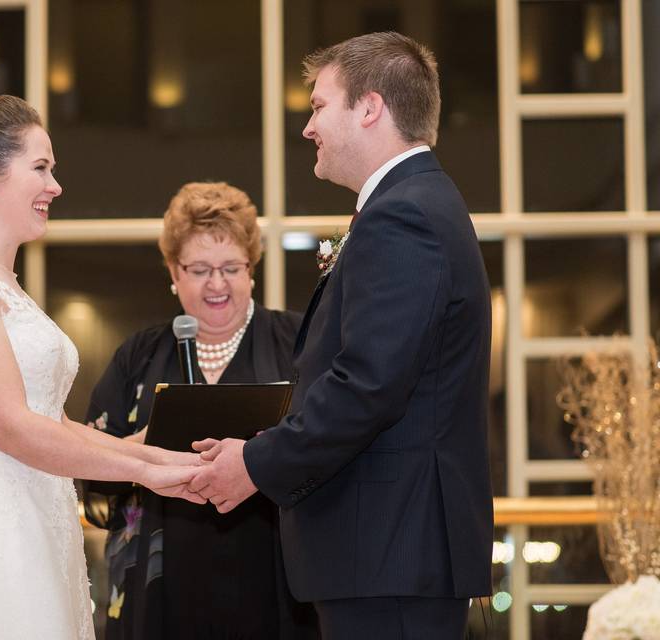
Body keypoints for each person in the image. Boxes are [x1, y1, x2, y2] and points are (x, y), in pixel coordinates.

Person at [189, 32, 494, 639]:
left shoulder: (405, 215)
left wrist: (254, 463)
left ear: (370, 107)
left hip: (390, 554)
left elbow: (367, 386)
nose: (308, 127)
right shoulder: (418, 204)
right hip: (388, 555)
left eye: (319, 106)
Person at [0, 95, 203, 639]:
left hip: (41, 525)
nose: (55, 186)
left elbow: (47, 419)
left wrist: (145, 446)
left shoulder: (4, 285)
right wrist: (145, 470)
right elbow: (9, 425)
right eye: (40, 168)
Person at [82, 182, 317, 639]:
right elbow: (92, 468)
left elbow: (326, 442)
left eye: (231, 267)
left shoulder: (296, 343)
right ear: (173, 271)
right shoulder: (139, 357)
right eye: (200, 269)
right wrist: (146, 447)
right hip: (163, 581)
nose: (217, 283)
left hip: (273, 575)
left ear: (252, 269)